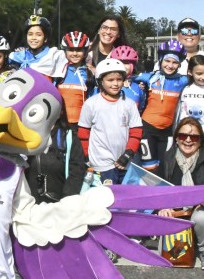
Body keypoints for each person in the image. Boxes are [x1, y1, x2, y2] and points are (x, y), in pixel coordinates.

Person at [157, 117, 204, 271]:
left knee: (202, 217)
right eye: (183, 136)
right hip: (174, 210)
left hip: (200, 210)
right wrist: (162, 207)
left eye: (194, 137)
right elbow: (158, 190)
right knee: (164, 220)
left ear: (200, 140)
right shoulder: (166, 159)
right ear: (176, 139)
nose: (188, 140)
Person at [77, 58, 143, 186]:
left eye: (119, 79)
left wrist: (128, 154)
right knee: (107, 201)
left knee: (126, 202)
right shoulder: (91, 104)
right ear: (100, 81)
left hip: (124, 162)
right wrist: (86, 156)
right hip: (102, 163)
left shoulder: (129, 104)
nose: (116, 84)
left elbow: (136, 132)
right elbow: (83, 133)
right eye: (110, 80)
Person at [134, 39, 189, 170]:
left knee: (167, 168)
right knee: (149, 167)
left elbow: (202, 79)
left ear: (179, 64)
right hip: (147, 129)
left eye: (175, 62)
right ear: (160, 60)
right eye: (167, 61)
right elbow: (124, 76)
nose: (170, 65)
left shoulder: (183, 80)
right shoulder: (149, 77)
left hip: (168, 131)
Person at [155, 18, 204, 84]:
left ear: (199, 37)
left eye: (194, 31)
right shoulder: (164, 63)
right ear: (177, 37)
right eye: (184, 31)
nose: (189, 34)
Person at [55, 31, 95, 126]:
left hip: (81, 125)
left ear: (85, 52)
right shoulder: (58, 71)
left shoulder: (89, 74)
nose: (75, 53)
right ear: (64, 51)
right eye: (71, 49)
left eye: (79, 50)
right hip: (59, 124)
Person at [109, 45, 146, 111]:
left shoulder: (138, 88)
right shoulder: (104, 86)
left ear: (132, 66)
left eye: (126, 63)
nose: (122, 66)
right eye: (119, 62)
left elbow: (140, 108)